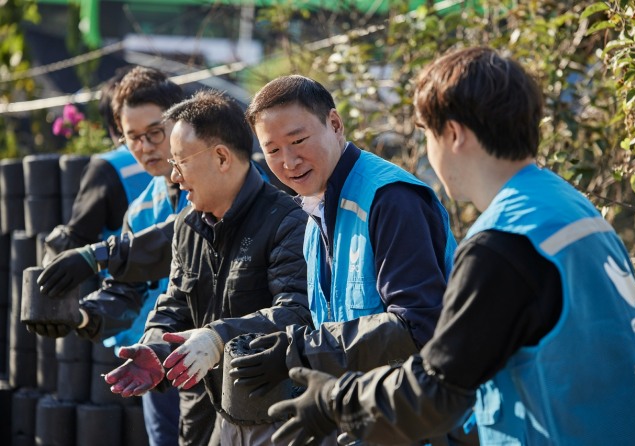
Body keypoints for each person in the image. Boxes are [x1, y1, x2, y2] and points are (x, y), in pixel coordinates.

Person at [262, 46, 635, 446]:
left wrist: (335, 402)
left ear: (453, 134)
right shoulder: (570, 206)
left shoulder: (502, 244)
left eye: (426, 134)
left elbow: (439, 387)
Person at [229, 75, 473, 445]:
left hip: (417, 426)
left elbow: (418, 324)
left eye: (297, 141)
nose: (289, 161)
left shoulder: (391, 199)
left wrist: (298, 352)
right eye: (273, 150)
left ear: (335, 124)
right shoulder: (316, 212)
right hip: (361, 423)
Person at [102, 89, 313, 446]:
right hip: (207, 413)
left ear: (221, 157)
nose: (174, 177)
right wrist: (155, 347)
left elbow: (296, 313)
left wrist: (218, 338)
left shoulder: (288, 223)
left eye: (179, 162)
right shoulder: (188, 223)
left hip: (276, 420)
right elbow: (175, 304)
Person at [32, 66, 195, 446]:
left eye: (155, 132)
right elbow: (126, 291)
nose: (145, 147)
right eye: (132, 138)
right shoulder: (140, 210)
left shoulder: (217, 187)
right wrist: (82, 316)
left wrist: (96, 254)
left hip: (219, 361)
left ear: (181, 122)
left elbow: (184, 236)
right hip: (160, 362)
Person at [40, 66, 152, 269]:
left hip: (127, 294)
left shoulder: (107, 167)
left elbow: (77, 239)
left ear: (115, 124)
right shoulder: (182, 160)